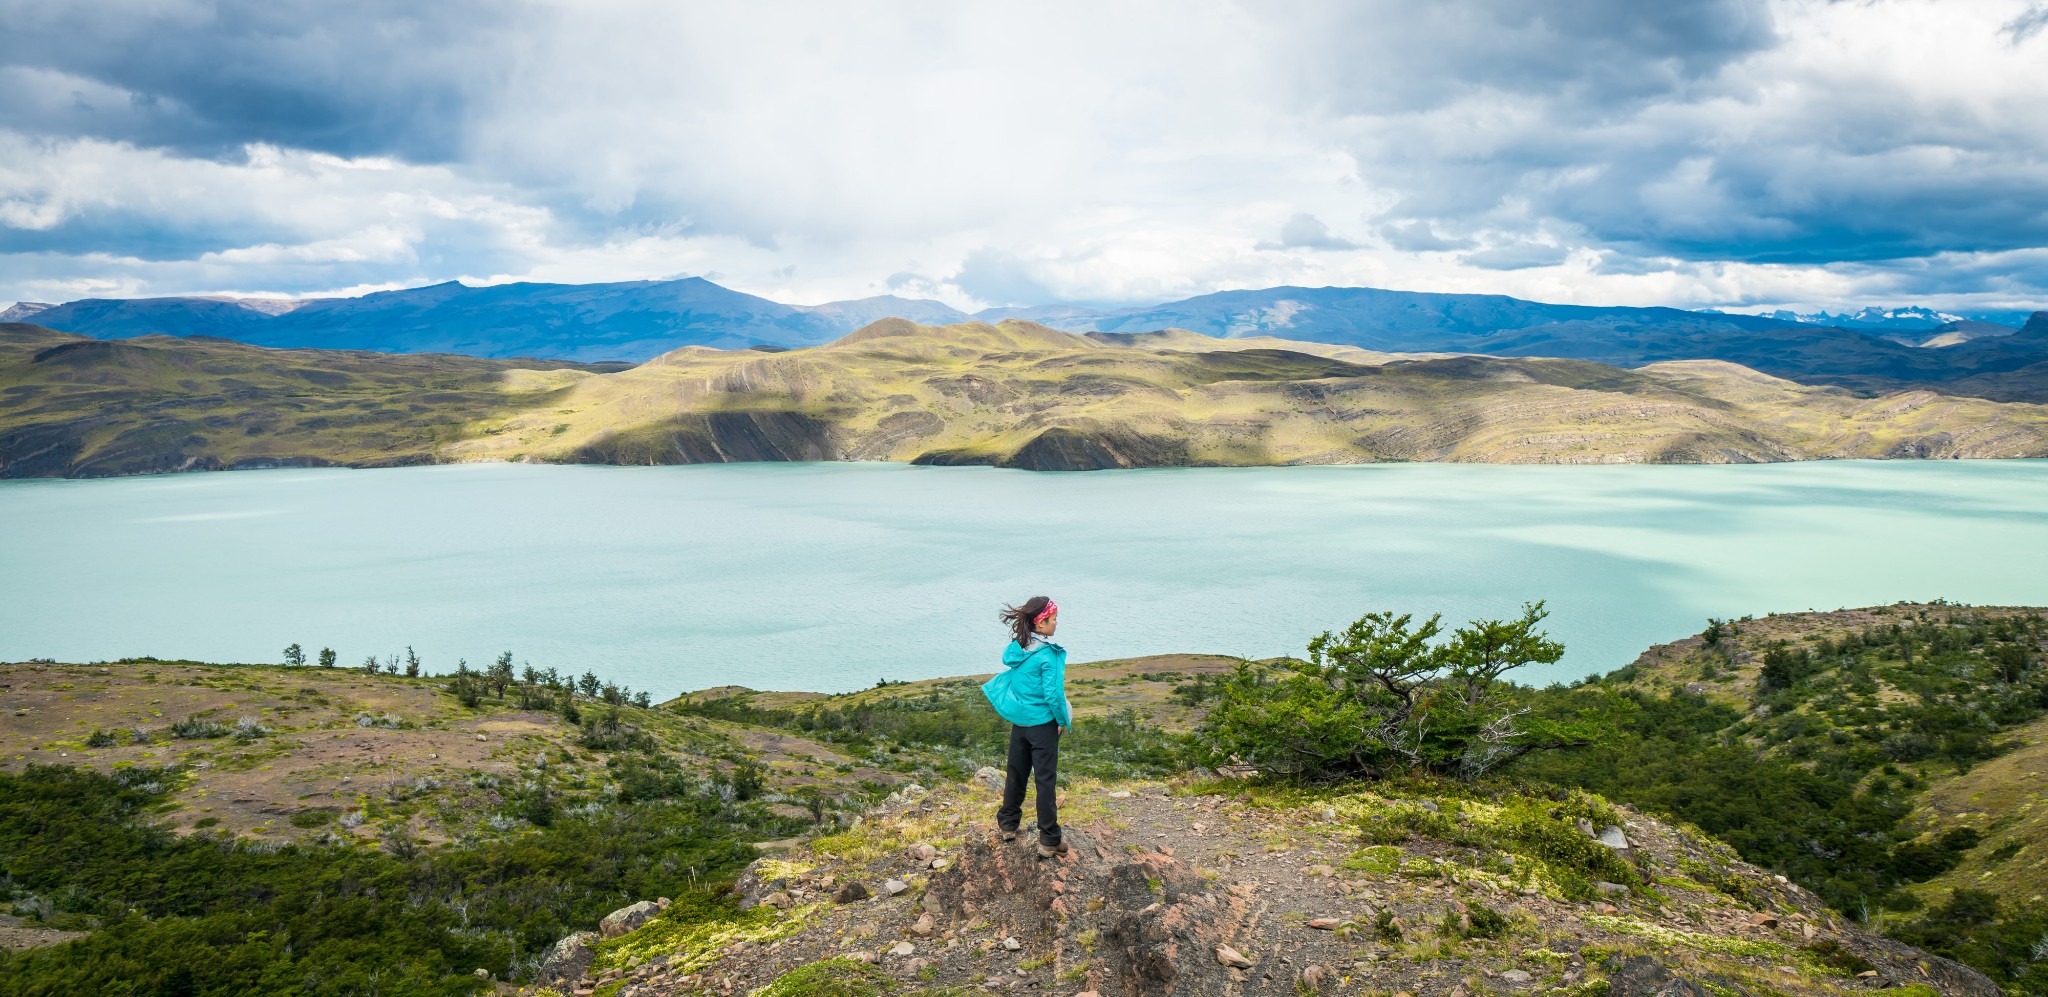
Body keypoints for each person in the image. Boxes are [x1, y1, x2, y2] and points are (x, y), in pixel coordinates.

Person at [981, 595, 1072, 858]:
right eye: (1054, 619)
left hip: (1019, 723)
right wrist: (1062, 721)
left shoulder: (1018, 650)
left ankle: (1008, 825)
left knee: (1016, 773)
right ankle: (1049, 839)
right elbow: (1053, 695)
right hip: (1042, 725)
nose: (1057, 624)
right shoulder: (1048, 656)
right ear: (1041, 623)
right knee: (1045, 780)